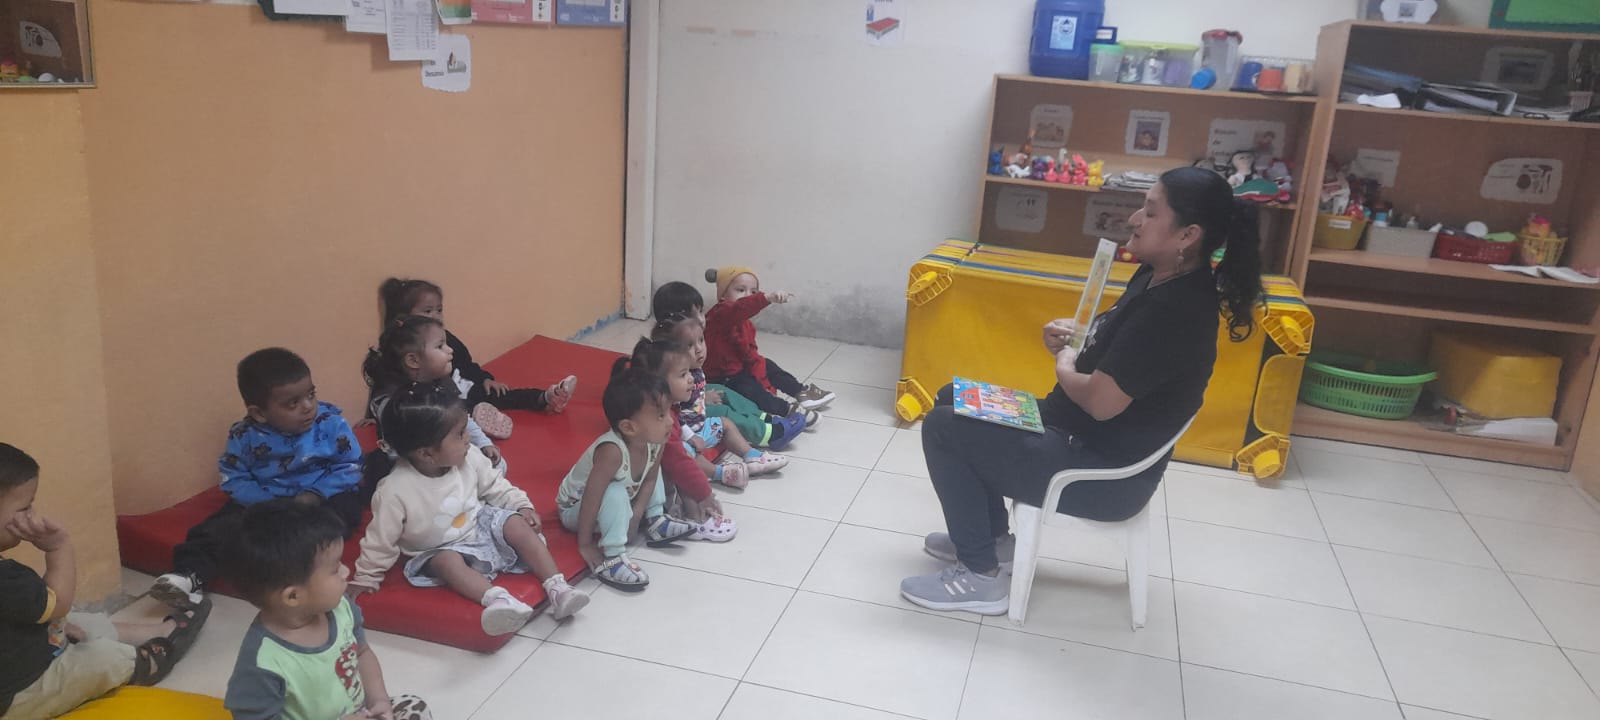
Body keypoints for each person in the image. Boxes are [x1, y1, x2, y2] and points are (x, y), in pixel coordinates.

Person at [900, 166, 1263, 615]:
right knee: (950, 397)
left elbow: (1100, 401)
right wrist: (1079, 334)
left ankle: (980, 576)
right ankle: (992, 542)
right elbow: (1124, 348)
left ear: (1187, 235)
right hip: (1068, 430)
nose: (1134, 219)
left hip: (1100, 472)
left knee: (944, 428)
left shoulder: (1176, 311)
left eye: (1150, 212)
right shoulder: (1159, 276)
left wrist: (1064, 362)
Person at [350, 382, 588, 634]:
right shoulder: (394, 490)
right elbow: (380, 540)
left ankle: (558, 587)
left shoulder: (470, 456)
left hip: (478, 526)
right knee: (446, 562)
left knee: (515, 522)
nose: (469, 438)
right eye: (460, 434)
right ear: (427, 454)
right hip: (438, 548)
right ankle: (499, 601)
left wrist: (521, 506)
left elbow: (496, 486)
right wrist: (366, 577)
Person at [1, 443, 208, 719]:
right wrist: (58, 547)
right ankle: (141, 663)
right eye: (25, 507)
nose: (31, 515)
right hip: (19, 694)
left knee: (67, 619)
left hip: (16, 652)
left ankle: (146, 631)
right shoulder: (8, 579)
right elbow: (58, 603)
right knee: (100, 657)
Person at [151, 348, 363, 610]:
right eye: (293, 403)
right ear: (259, 413)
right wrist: (265, 504)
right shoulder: (244, 435)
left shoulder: (330, 423)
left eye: (311, 395)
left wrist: (315, 494)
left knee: (342, 513)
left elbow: (350, 465)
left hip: (318, 497)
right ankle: (188, 576)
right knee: (219, 527)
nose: (308, 407)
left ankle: (304, 568)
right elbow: (234, 478)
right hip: (265, 501)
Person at [223, 499, 432, 720]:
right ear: (293, 596)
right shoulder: (263, 662)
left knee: (415, 708)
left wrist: (378, 700)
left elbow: (362, 652)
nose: (346, 571)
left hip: (359, 713)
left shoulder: (341, 607)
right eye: (335, 569)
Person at [371, 278, 575, 439]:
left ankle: (545, 398)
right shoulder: (399, 353)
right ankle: (478, 419)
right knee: (452, 412)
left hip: (463, 387)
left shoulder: (444, 336)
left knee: (499, 394)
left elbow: (466, 363)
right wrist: (374, 417)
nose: (436, 316)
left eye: (439, 310)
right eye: (427, 311)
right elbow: (385, 389)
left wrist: (484, 378)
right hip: (442, 403)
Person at [556, 368, 696, 591]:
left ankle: (656, 519)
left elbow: (650, 479)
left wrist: (636, 516)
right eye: (660, 416)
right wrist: (585, 544)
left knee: (650, 471)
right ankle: (613, 554)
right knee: (614, 490)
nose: (670, 422)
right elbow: (593, 497)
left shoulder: (655, 440)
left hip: (620, 496)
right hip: (577, 509)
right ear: (628, 427)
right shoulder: (612, 451)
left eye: (668, 411)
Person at [652, 281, 813, 447]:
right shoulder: (667, 359)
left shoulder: (686, 343)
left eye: (701, 311)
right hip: (688, 416)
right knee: (724, 411)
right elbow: (670, 399)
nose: (701, 319)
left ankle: (764, 418)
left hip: (697, 395)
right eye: (693, 315)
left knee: (726, 392)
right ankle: (770, 434)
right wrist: (702, 399)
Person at [367, 315, 504, 469]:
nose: (450, 350)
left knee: (497, 464)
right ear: (413, 360)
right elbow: (397, 452)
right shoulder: (396, 403)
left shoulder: (441, 382)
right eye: (440, 346)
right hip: (412, 464)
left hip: (444, 449)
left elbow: (461, 418)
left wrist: (484, 443)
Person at [702, 266, 836, 417]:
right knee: (748, 387)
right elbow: (739, 308)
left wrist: (765, 383)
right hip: (720, 378)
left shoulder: (746, 325)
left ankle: (801, 392)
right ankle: (787, 411)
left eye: (753, 292)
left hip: (738, 369)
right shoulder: (719, 314)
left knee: (767, 365)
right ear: (722, 296)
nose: (748, 295)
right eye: (740, 290)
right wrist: (765, 298)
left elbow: (751, 357)